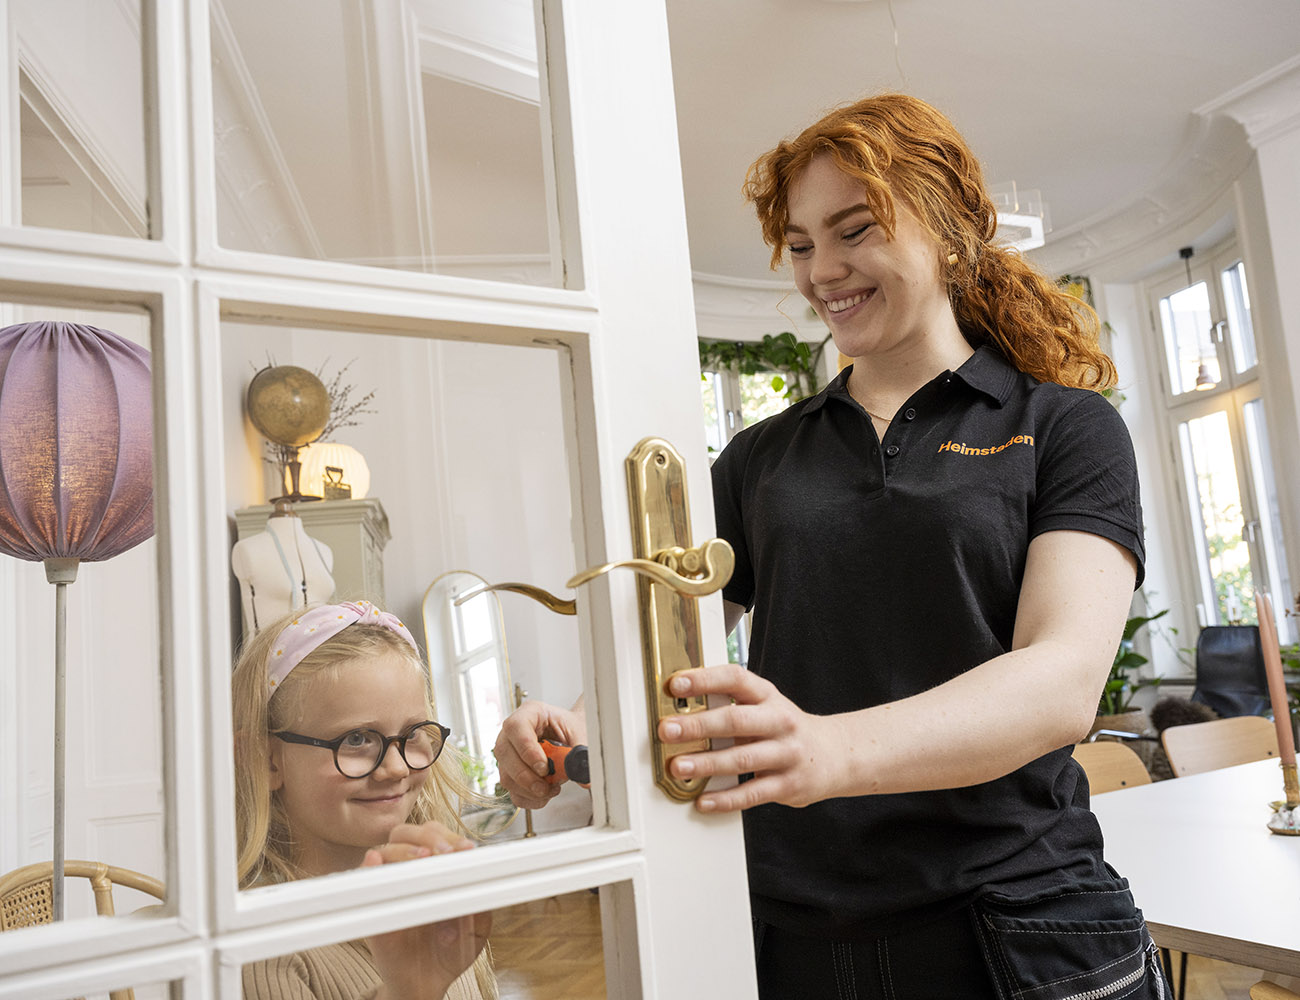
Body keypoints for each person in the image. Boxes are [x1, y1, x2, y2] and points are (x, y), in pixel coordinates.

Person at [496, 93, 1169, 998]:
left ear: (953, 229)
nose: (823, 271)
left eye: (854, 231)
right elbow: (672, 648)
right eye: (803, 244)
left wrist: (826, 753)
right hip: (795, 937)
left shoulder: (1064, 428)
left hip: (1020, 924)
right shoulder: (761, 457)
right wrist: (581, 726)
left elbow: (1060, 684)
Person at [233, 599, 496, 1000]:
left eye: (411, 736)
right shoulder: (261, 950)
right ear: (266, 760)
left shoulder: (436, 902)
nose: (395, 769)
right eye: (356, 739)